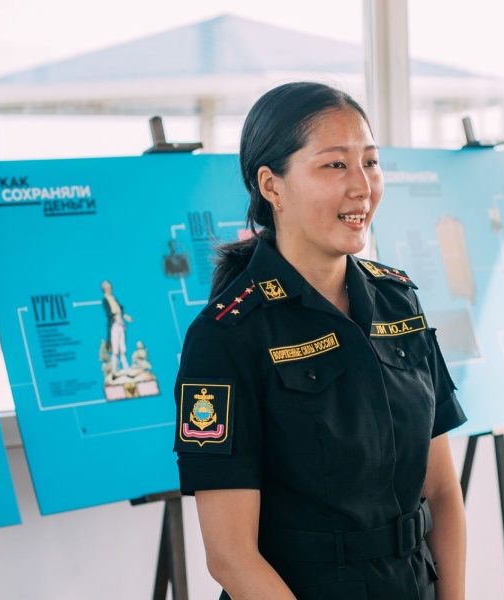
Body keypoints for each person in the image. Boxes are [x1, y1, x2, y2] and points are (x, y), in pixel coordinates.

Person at [173, 81, 467, 599]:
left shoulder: (399, 301)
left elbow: (442, 491)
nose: (362, 186)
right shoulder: (225, 337)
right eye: (335, 165)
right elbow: (231, 557)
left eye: (370, 162)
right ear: (272, 186)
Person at [101, 280, 132, 374]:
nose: (110, 289)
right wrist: (117, 318)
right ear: (104, 289)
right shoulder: (105, 300)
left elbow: (119, 310)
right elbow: (109, 313)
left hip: (120, 324)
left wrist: (125, 316)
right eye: (107, 288)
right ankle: (114, 370)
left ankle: (126, 368)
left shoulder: (114, 298)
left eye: (110, 287)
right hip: (114, 325)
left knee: (122, 347)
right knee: (115, 348)